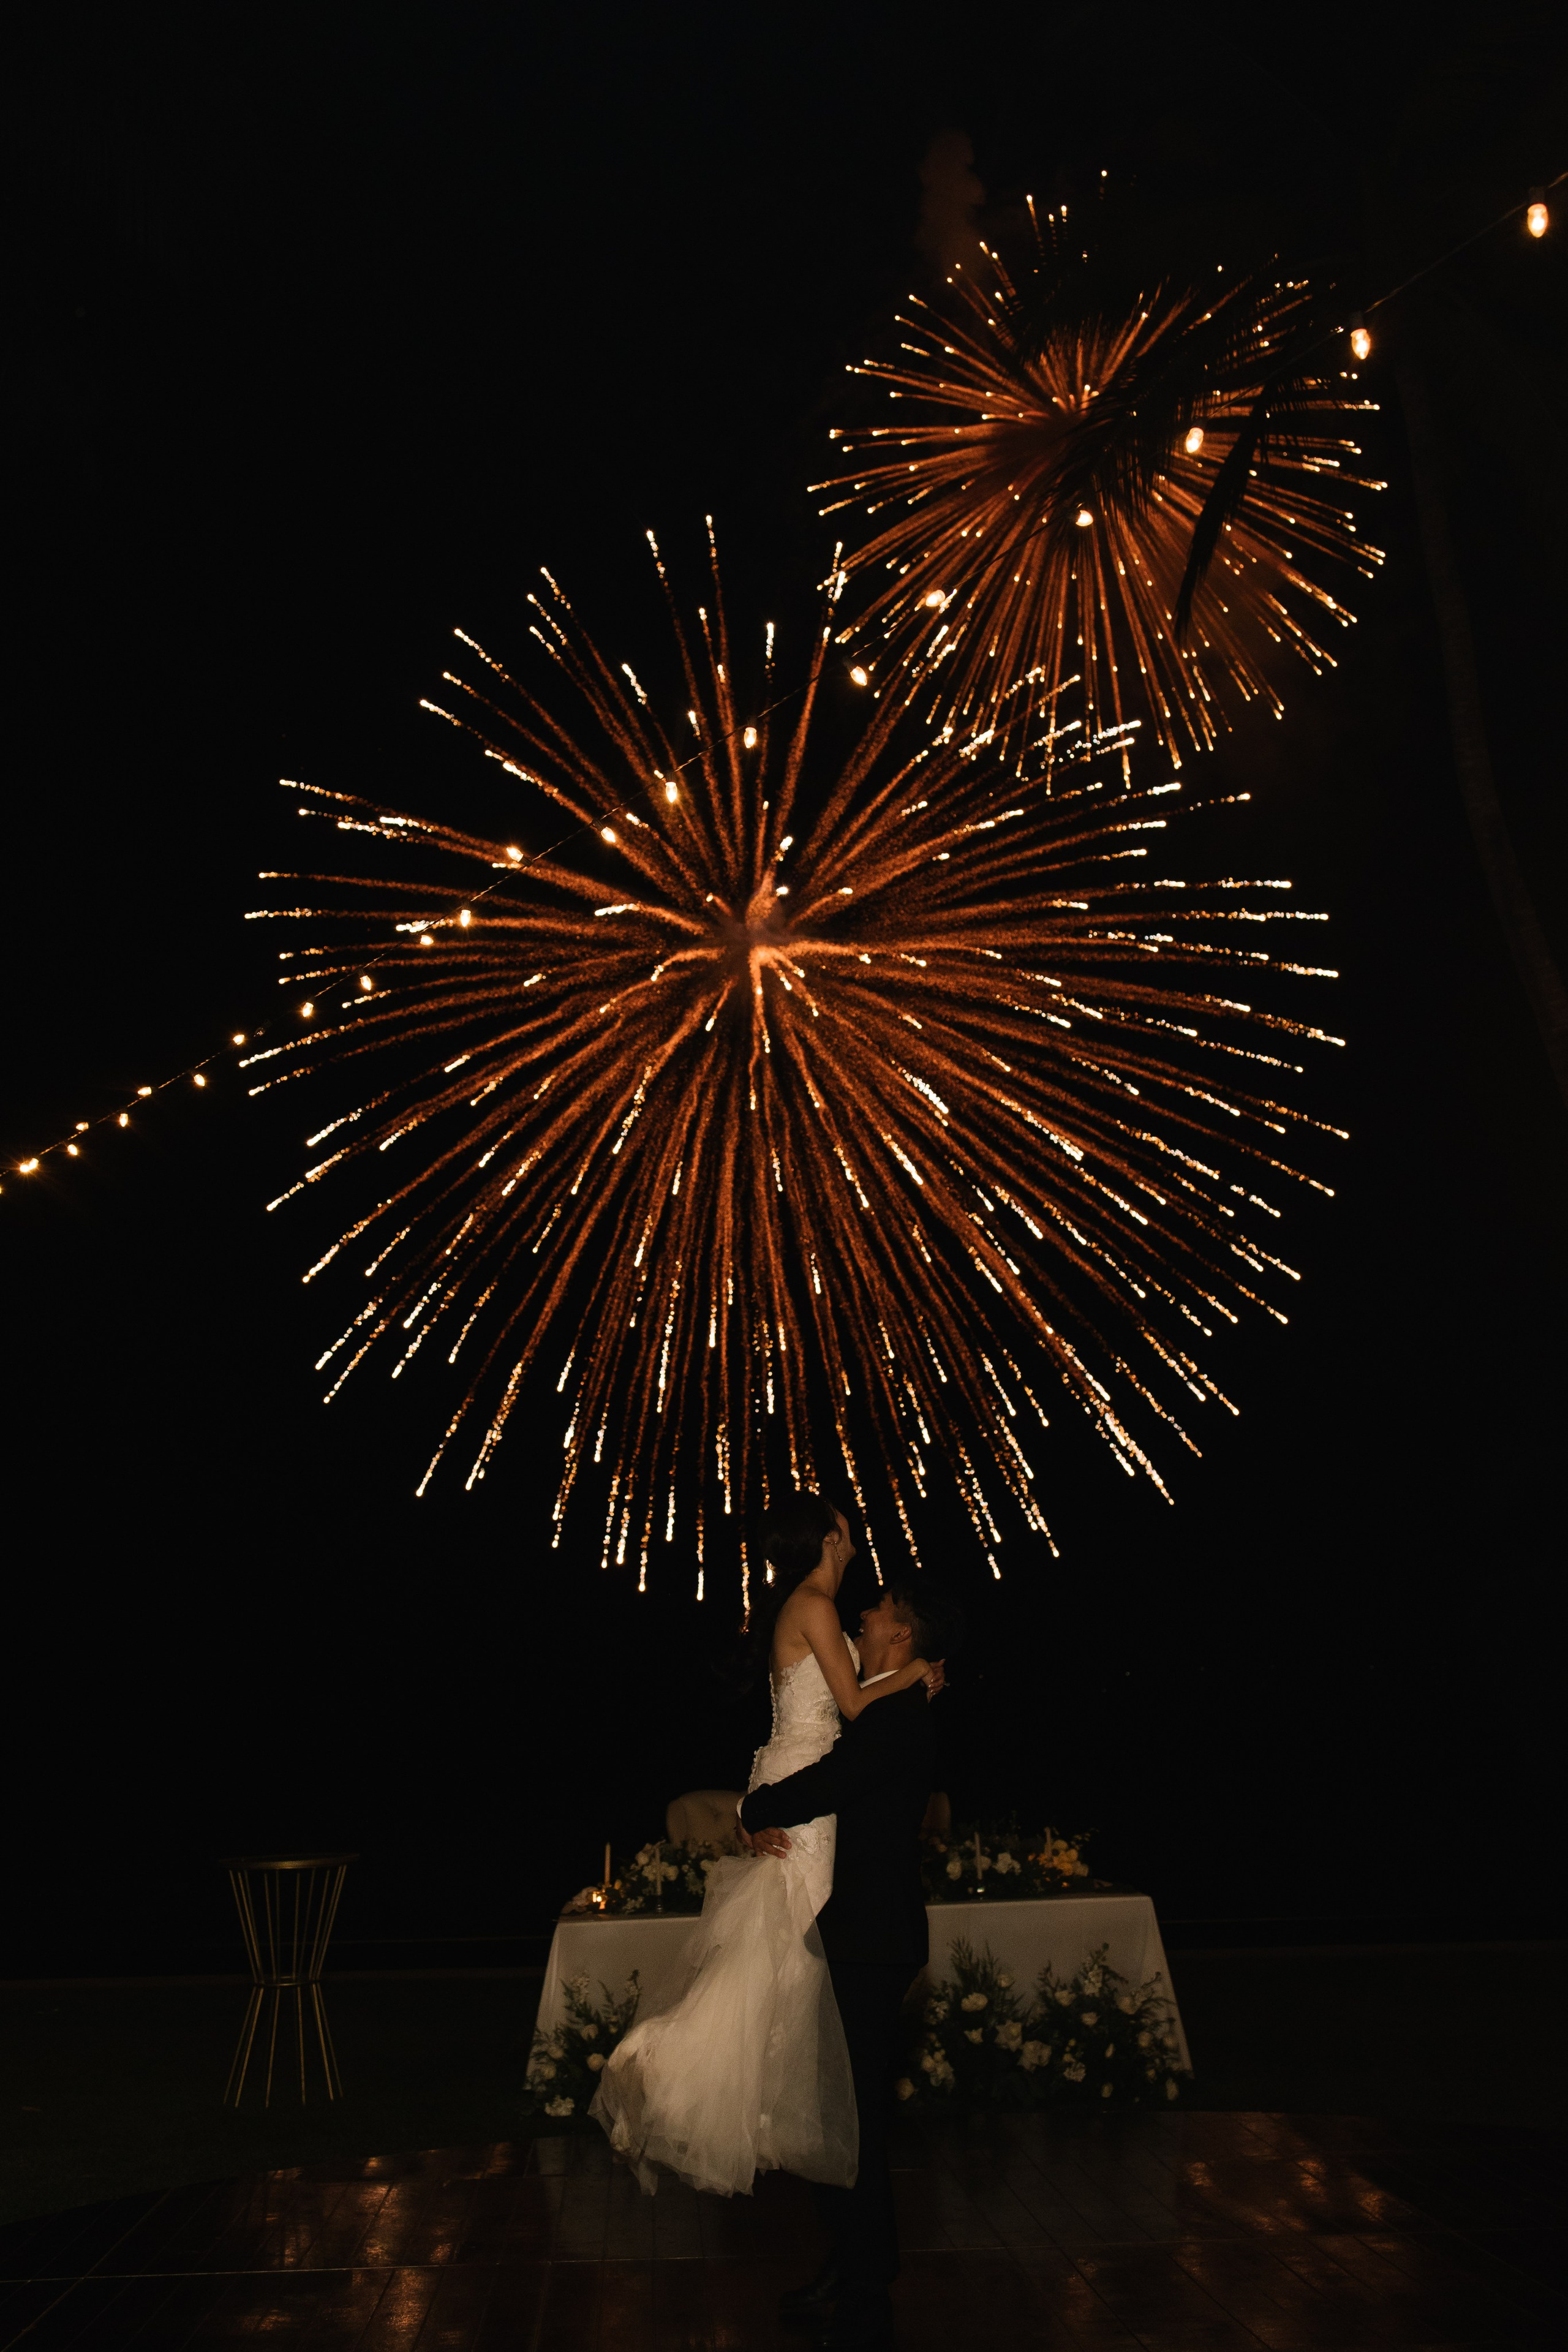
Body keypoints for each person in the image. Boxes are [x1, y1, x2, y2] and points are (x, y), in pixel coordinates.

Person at [590, 1491, 941, 2199]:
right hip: (804, 1781)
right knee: (780, 1940)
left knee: (784, 1949)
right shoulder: (814, 1604)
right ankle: (666, 2063)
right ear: (828, 1539)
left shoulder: (815, 1606)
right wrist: (914, 1674)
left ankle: (768, 2102)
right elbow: (850, 1705)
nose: (853, 1540)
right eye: (845, 1531)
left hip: (803, 1775)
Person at [741, 1572, 948, 2351]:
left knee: (852, 2117)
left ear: (900, 1634)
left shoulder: (895, 1716)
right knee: (836, 2110)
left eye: (879, 1609)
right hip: (861, 1937)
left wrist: (751, 1810)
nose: (861, 1613)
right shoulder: (897, 1698)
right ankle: (851, 2265)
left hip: (872, 1941)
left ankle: (867, 2286)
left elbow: (834, 1780)